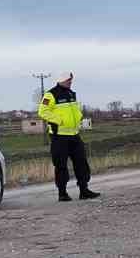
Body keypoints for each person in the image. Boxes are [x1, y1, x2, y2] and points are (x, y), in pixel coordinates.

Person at [38, 71, 99, 202]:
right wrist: (59, 121)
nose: (70, 83)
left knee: (81, 163)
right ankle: (62, 193)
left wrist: (79, 118)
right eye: (69, 81)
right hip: (59, 136)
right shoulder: (51, 94)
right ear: (62, 80)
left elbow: (74, 111)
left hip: (74, 134)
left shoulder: (71, 94)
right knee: (61, 165)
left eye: (71, 81)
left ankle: (84, 190)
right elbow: (43, 112)